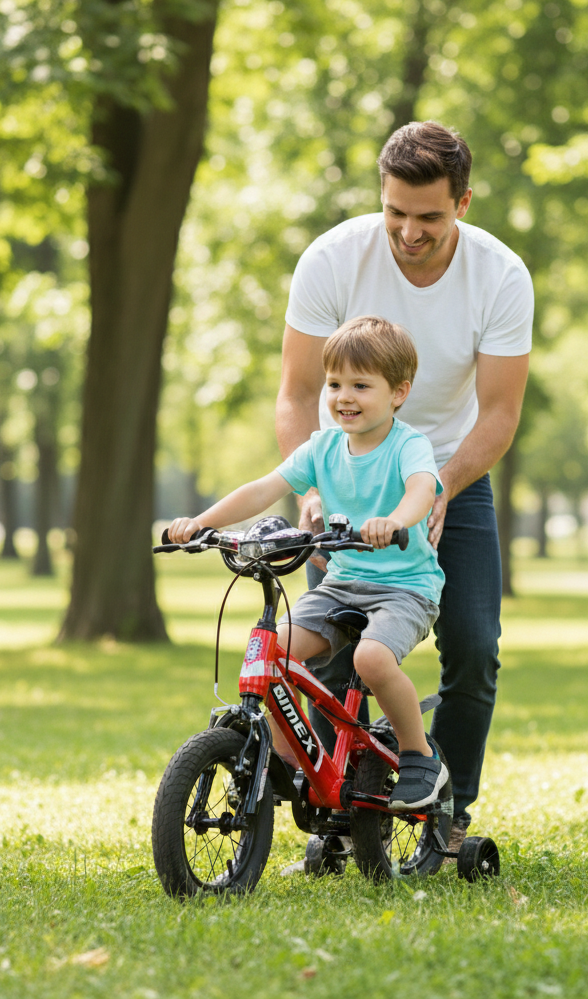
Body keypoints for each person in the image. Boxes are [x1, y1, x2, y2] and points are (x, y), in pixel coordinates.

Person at [276, 121, 533, 855]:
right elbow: (297, 394)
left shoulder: (500, 275)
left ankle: (448, 812)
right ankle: (336, 823)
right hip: (350, 478)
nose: (409, 232)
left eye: (430, 217)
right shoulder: (332, 259)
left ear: (463, 204)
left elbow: (500, 412)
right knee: (330, 654)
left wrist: (441, 486)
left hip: (452, 472)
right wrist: (312, 492)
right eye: (395, 212)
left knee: (474, 648)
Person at [168, 316, 449, 811]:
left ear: (398, 393)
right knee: (271, 655)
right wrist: (200, 523)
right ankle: (286, 762)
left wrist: (394, 521)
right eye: (335, 384)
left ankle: (419, 757)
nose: (344, 396)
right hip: (342, 584)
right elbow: (263, 488)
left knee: (371, 659)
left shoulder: (408, 445)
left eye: (361, 385)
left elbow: (421, 490)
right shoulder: (322, 447)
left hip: (405, 588)